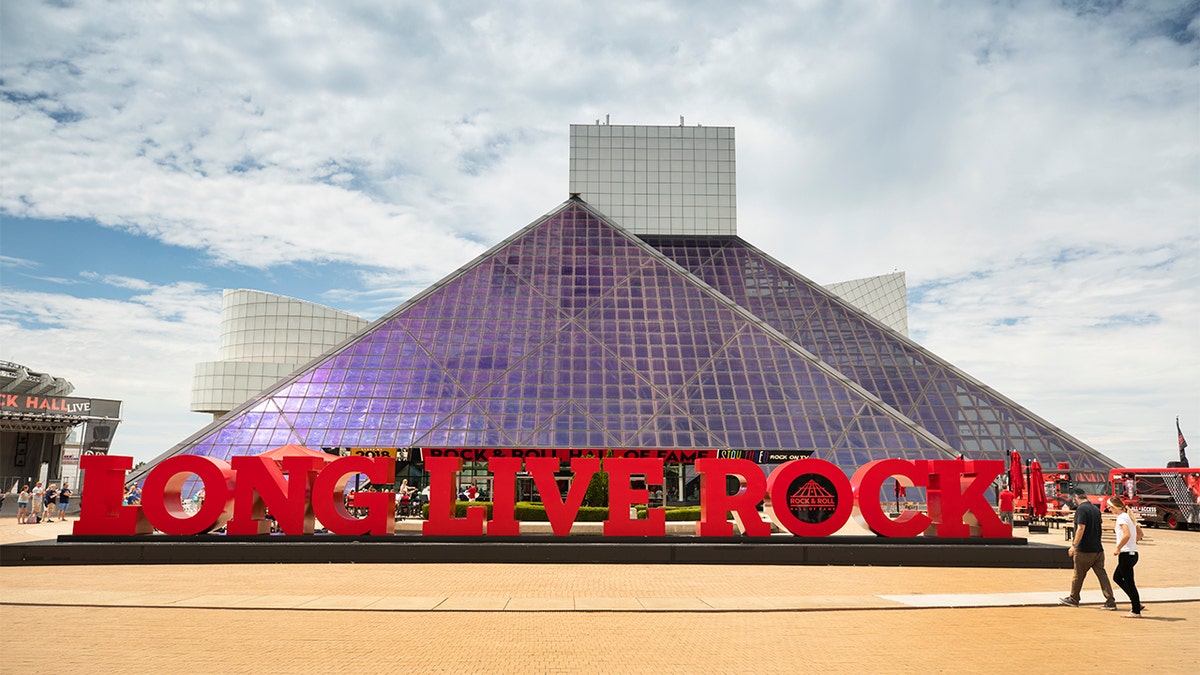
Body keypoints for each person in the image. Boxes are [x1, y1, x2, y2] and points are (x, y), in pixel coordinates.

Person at [1060, 487, 1117, 610]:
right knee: (1102, 576)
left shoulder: (1081, 509)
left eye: (1072, 498)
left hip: (1084, 550)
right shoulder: (1095, 509)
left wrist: (1074, 545)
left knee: (1078, 575)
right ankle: (1110, 600)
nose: (1072, 501)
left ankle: (1074, 598)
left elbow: (1081, 528)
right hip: (1098, 549)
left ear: (1076, 497)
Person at [1108, 496, 1144, 618]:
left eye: (1110, 507)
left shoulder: (1121, 518)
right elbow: (1140, 534)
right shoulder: (1129, 516)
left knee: (1129, 582)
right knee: (1117, 577)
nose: (1109, 509)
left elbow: (1127, 534)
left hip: (1126, 554)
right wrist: (1133, 544)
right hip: (1133, 553)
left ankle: (1136, 610)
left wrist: (1118, 547)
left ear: (1116, 507)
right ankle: (1136, 604)